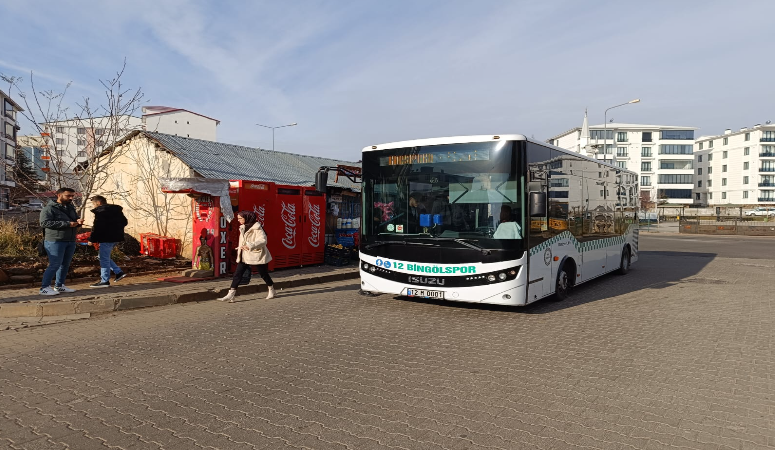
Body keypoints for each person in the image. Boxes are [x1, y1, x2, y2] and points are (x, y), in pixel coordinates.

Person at [218, 211, 275, 303]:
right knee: (237, 274)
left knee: (263, 273)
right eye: (238, 218)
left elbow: (263, 241)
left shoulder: (257, 228)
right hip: (244, 255)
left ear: (247, 218)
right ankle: (231, 294)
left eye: (240, 218)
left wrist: (251, 245)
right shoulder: (243, 227)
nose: (238, 220)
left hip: (256, 254)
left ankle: (271, 289)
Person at [39, 188, 84, 296]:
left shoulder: (70, 207)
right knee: (54, 264)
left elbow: (74, 218)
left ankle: (59, 285)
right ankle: (44, 288)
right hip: (55, 241)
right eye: (68, 196)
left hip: (70, 240)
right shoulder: (49, 209)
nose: (71, 198)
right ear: (59, 195)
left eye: (72, 196)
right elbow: (44, 223)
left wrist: (78, 221)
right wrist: (67, 224)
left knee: (65, 264)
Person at [87, 195, 128, 287]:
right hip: (116, 237)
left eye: (93, 204)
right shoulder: (116, 211)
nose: (93, 206)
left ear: (98, 203)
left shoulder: (101, 212)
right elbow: (125, 222)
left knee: (103, 259)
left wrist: (91, 239)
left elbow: (97, 227)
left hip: (106, 238)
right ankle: (118, 272)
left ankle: (105, 280)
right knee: (102, 257)